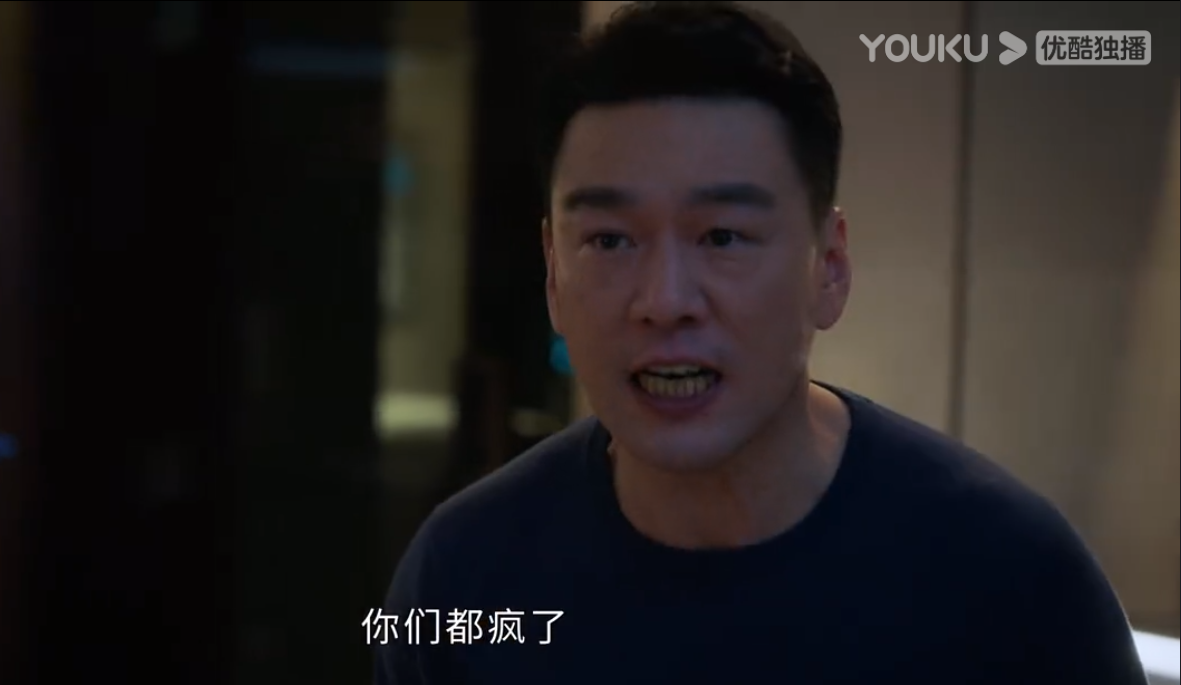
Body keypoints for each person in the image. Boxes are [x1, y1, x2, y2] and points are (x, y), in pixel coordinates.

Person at [372, 2, 1149, 683]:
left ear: (829, 267)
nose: (664, 302)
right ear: (552, 272)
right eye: (609, 240)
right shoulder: (464, 574)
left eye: (722, 236)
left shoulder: (1010, 582)